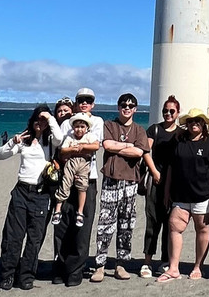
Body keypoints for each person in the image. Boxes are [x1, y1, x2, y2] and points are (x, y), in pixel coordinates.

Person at [0, 105, 64, 290]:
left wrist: (49, 118)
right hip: (21, 191)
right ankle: (8, 274)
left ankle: (26, 275)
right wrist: (12, 142)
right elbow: (0, 155)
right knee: (14, 236)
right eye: (37, 119)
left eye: (43, 120)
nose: (39, 123)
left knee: (35, 238)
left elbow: (60, 138)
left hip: (41, 193)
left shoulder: (50, 141)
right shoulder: (24, 140)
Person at [156, 108, 209, 282]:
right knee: (175, 228)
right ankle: (174, 267)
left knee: (202, 229)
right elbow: (171, 168)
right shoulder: (179, 141)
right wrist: (167, 191)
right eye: (191, 121)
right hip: (180, 196)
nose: (194, 124)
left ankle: (198, 266)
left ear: (204, 124)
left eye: (198, 121)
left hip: (203, 195)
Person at [91, 93, 150, 281]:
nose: (127, 107)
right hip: (111, 179)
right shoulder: (110, 125)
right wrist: (127, 146)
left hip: (131, 182)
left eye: (131, 105)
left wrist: (121, 148)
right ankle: (100, 265)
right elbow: (107, 145)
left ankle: (121, 264)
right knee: (105, 224)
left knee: (126, 224)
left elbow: (139, 151)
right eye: (124, 104)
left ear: (135, 109)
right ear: (118, 107)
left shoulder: (139, 130)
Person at [51, 87, 104, 287]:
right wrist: (72, 151)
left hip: (88, 178)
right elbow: (61, 150)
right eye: (81, 99)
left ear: (93, 103)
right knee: (62, 224)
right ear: (75, 102)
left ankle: (75, 270)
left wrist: (76, 149)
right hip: (67, 175)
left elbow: (95, 145)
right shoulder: (67, 123)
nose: (84, 103)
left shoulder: (97, 121)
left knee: (83, 226)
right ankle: (60, 266)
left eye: (88, 100)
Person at [140, 95, 179, 278]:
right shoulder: (154, 130)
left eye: (172, 111)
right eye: (165, 110)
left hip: (174, 183)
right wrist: (155, 172)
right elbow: (146, 151)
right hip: (155, 181)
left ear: (178, 113)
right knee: (152, 221)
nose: (168, 113)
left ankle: (165, 260)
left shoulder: (180, 134)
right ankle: (147, 261)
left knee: (170, 223)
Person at [49, 113, 92, 229]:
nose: (79, 129)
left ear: (87, 128)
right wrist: (73, 148)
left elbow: (96, 146)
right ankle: (57, 210)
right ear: (73, 127)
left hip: (83, 164)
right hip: (71, 163)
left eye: (82, 127)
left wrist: (82, 147)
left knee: (82, 187)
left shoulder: (89, 137)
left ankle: (80, 212)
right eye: (77, 126)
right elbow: (63, 150)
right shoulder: (70, 137)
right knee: (65, 184)